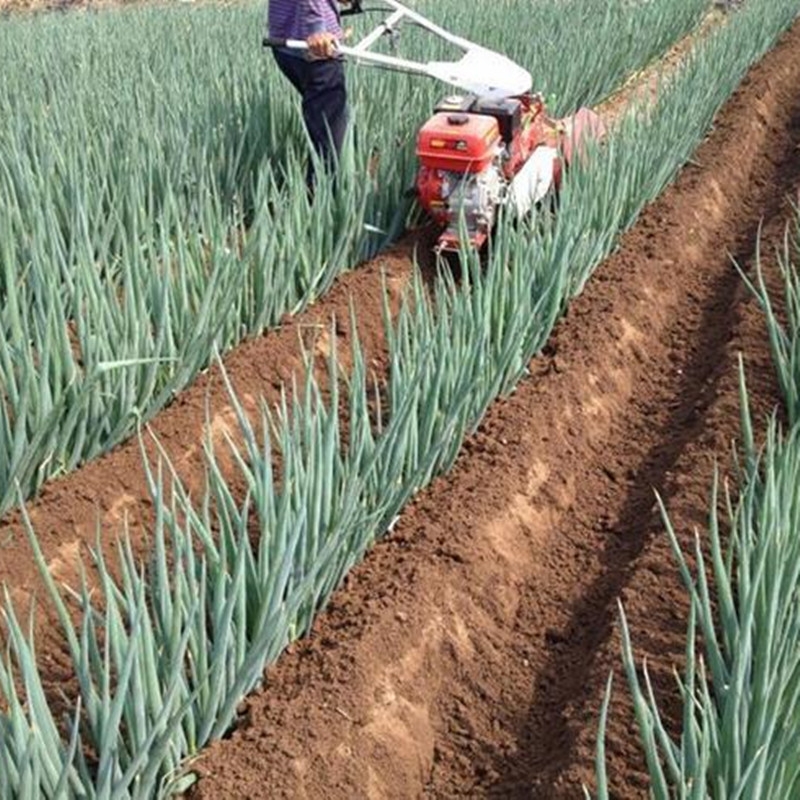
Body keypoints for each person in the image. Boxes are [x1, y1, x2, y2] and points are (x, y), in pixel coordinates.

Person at [268, 0, 349, 188]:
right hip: (314, 49)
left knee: (331, 123)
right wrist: (316, 28)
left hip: (286, 42)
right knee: (329, 144)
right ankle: (321, 206)